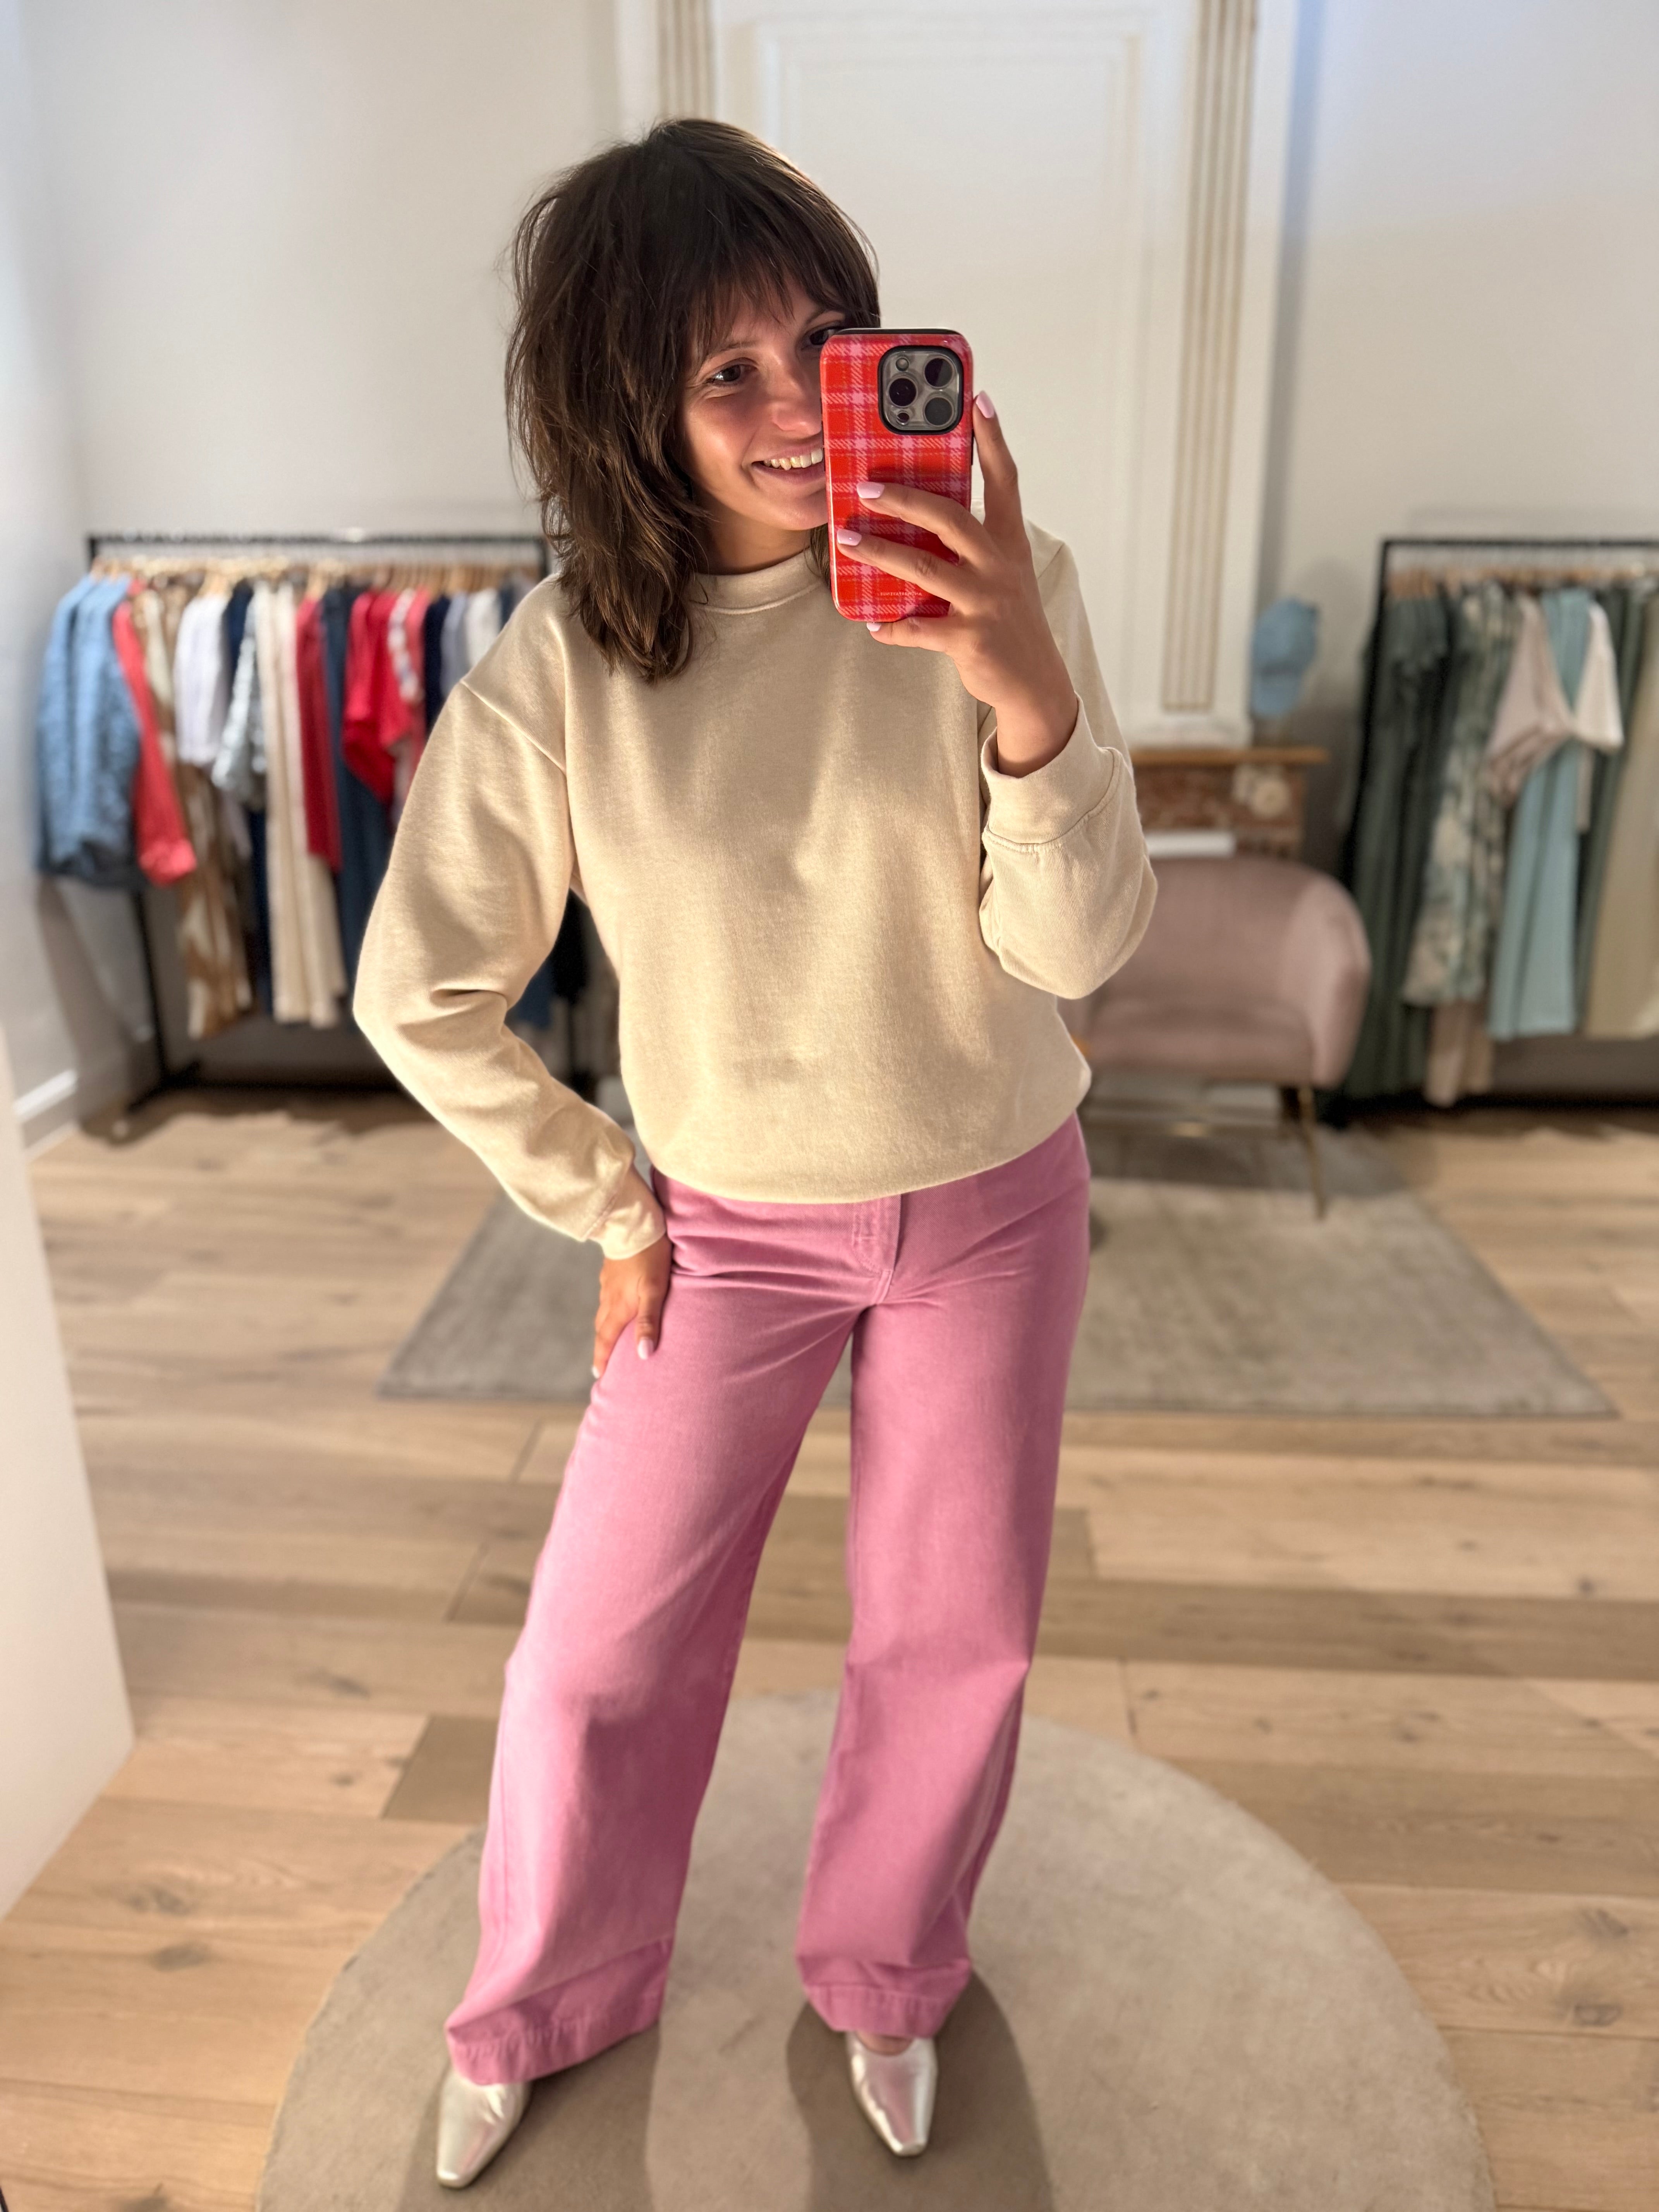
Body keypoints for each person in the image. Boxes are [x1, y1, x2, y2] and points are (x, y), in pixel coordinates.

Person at [352, 117, 1155, 2189]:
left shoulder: (1002, 582)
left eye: (827, 342)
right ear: (625, 400)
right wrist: (605, 1198)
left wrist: (1022, 686)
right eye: (727, 370)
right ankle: (540, 1996)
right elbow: (416, 991)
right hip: (724, 1231)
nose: (799, 406)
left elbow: (1078, 955)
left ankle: (889, 1976)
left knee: (951, 1635)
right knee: (597, 1652)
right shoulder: (567, 670)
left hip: (996, 1202)